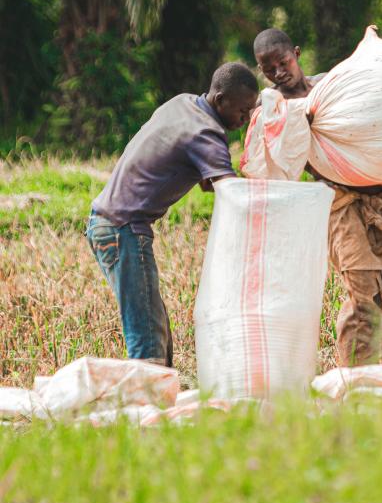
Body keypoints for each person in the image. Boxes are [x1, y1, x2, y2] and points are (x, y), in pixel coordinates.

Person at [253, 28, 382, 367]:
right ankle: (356, 380)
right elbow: (281, 159)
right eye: (268, 68)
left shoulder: (329, 88)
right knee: (364, 299)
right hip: (340, 209)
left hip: (379, 203)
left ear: (297, 53)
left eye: (283, 62)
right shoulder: (276, 107)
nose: (278, 72)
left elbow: (379, 115)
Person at [86, 62, 259, 367]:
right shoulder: (206, 132)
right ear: (220, 100)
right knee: (148, 337)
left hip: (106, 223)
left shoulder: (183, 103)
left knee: (156, 328)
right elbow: (231, 193)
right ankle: (146, 409)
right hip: (123, 229)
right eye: (243, 111)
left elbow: (206, 180)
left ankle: (158, 399)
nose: (245, 119)